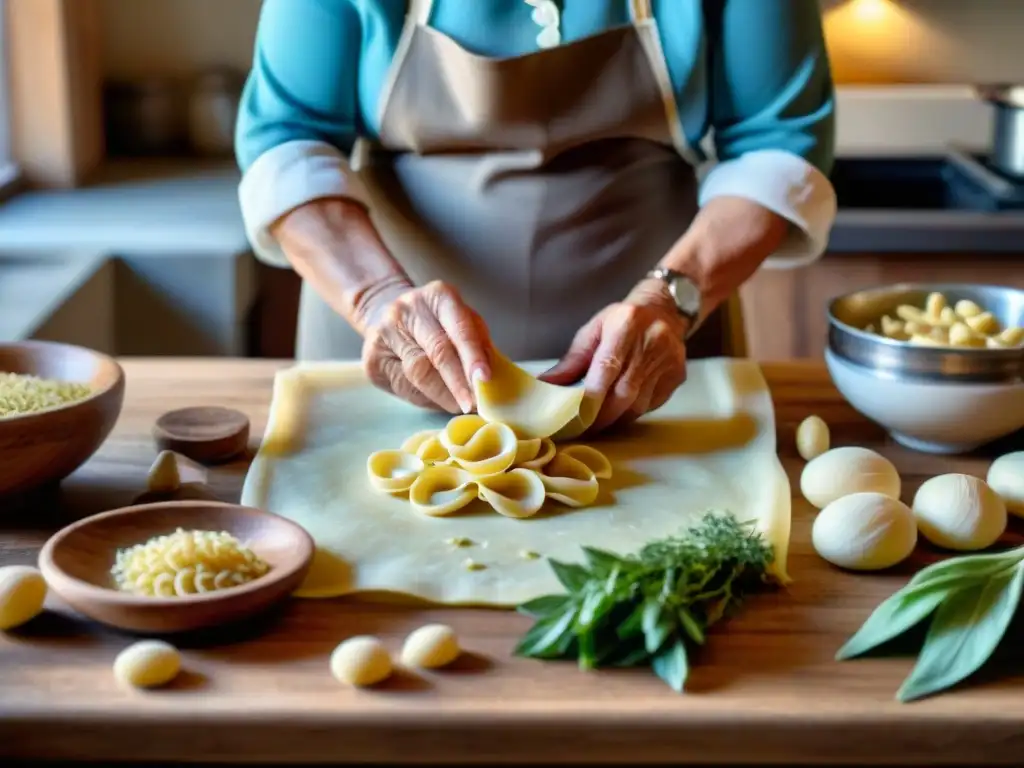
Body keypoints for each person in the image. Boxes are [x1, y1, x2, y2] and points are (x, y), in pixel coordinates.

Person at [235, 0, 836, 433]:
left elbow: (777, 148)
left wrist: (670, 300)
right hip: (394, 359)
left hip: (654, 370)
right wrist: (375, 299)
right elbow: (288, 140)